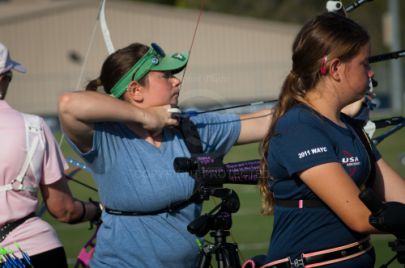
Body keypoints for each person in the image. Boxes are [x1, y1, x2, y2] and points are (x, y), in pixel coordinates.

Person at [58, 42, 272, 267]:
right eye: (166, 75)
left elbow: (265, 122)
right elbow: (68, 104)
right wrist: (146, 117)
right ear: (135, 91)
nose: (176, 80)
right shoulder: (107, 137)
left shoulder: (189, 129)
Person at [256, 13, 405, 267]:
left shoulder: (351, 128)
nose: (370, 72)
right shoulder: (299, 127)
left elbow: (399, 195)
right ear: (336, 69)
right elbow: (359, 216)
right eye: (364, 63)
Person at [0, 42, 101, 267]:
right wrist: (97, 210)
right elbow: (64, 210)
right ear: (2, 79)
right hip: (34, 251)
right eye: (9, 77)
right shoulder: (33, 127)